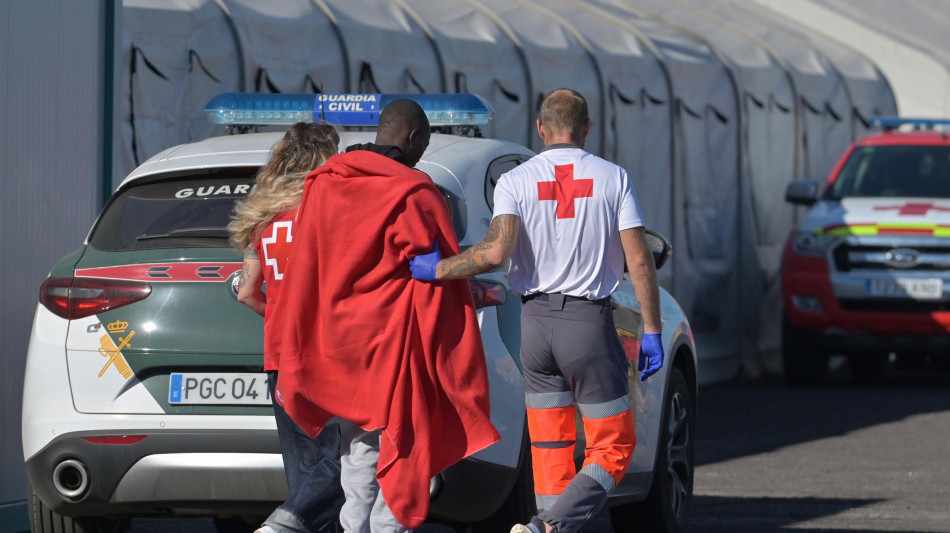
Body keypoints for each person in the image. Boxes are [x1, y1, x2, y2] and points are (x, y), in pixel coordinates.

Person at [409, 88, 665, 533]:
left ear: (541, 129)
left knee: (551, 449)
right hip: (587, 326)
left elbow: (494, 254)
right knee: (615, 447)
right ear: (586, 128)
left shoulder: (515, 180)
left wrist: (438, 269)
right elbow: (640, 260)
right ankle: (550, 525)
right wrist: (653, 330)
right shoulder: (613, 178)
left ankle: (546, 525)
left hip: (534, 327)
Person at [270, 99, 501, 532]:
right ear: (413, 137)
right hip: (392, 347)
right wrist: (470, 298)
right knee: (404, 445)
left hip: (336, 347)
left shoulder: (323, 184)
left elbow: (307, 267)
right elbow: (436, 276)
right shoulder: (414, 191)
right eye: (424, 143)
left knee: (357, 452)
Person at [228, 122, 344, 533]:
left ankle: (289, 522)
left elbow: (246, 292)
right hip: (326, 355)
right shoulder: (328, 212)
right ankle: (284, 522)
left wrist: (280, 315)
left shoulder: (264, 218)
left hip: (280, 357)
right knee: (346, 464)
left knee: (305, 472)